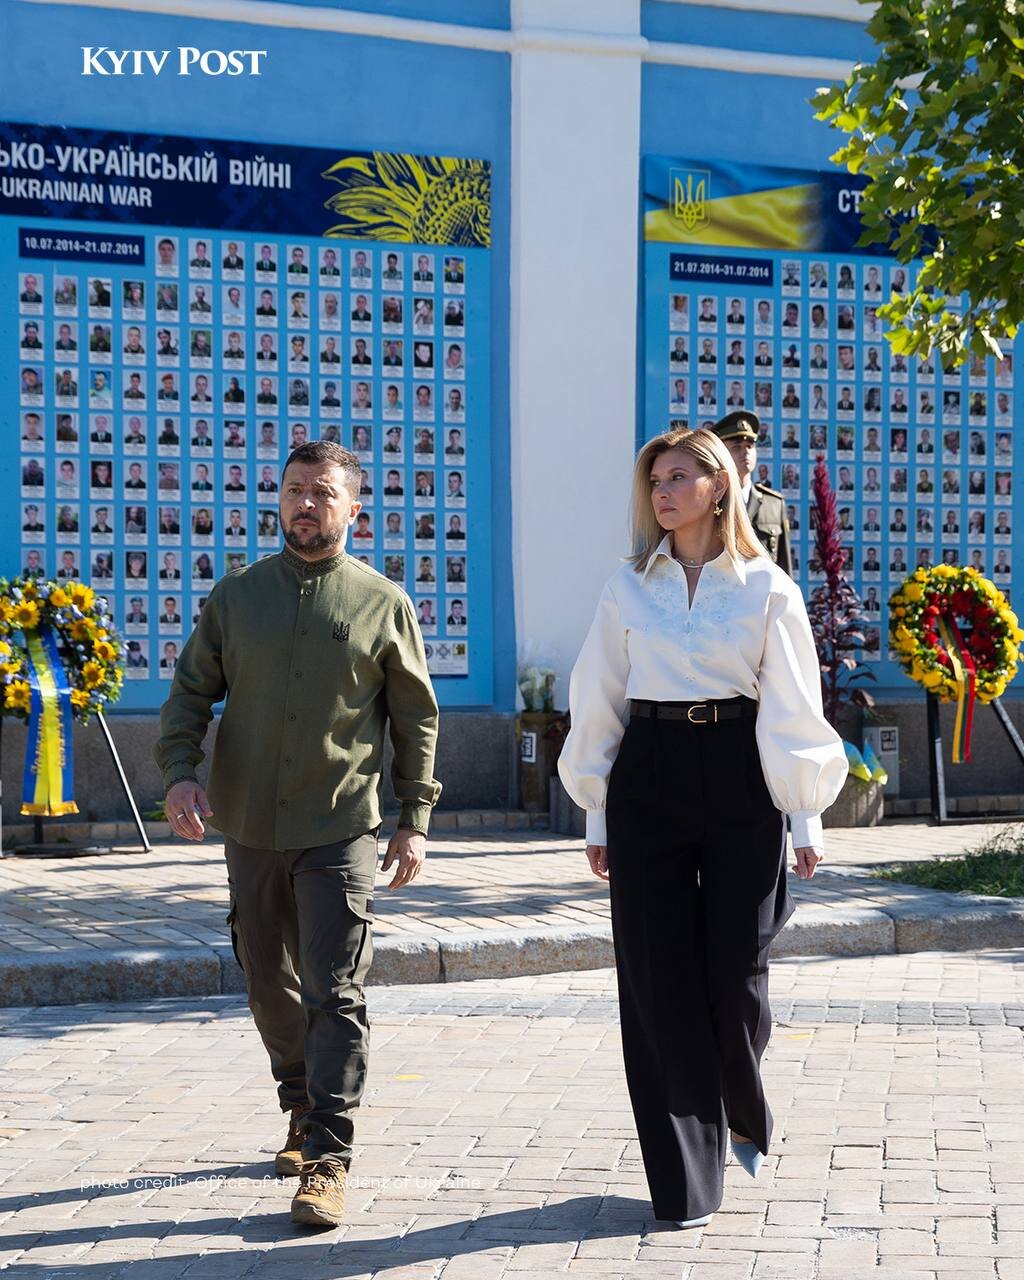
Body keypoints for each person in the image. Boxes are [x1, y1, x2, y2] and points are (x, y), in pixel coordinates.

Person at [558, 426, 846, 1229]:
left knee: (737, 972)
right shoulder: (627, 586)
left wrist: (805, 814)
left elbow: (792, 702)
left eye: (680, 477)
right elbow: (599, 695)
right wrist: (596, 809)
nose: (664, 491)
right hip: (648, 772)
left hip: (740, 770)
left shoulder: (766, 587)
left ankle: (740, 1107)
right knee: (656, 979)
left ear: (719, 485)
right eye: (656, 479)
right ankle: (684, 1181)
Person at [154, 440, 441, 1227]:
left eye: (321, 492)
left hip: (339, 825)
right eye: (293, 490)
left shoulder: (383, 603)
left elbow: (416, 719)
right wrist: (179, 773)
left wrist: (413, 820)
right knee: (265, 980)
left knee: (334, 990)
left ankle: (327, 1158)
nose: (305, 504)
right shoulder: (237, 597)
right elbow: (189, 694)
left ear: (354, 509)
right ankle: (300, 1103)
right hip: (247, 823)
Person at [709, 413, 792, 574]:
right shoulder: (710, 500)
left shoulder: (774, 504)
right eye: (736, 447)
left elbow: (784, 565)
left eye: (750, 446)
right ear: (721, 454)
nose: (745, 452)